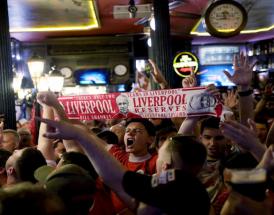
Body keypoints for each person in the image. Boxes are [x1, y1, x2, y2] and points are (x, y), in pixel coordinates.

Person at [37, 117, 210, 215]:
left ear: (165, 166)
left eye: (160, 153)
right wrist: (79, 135)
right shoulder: (181, 188)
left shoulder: (176, 186)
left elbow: (118, 180)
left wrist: (81, 136)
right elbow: (118, 181)